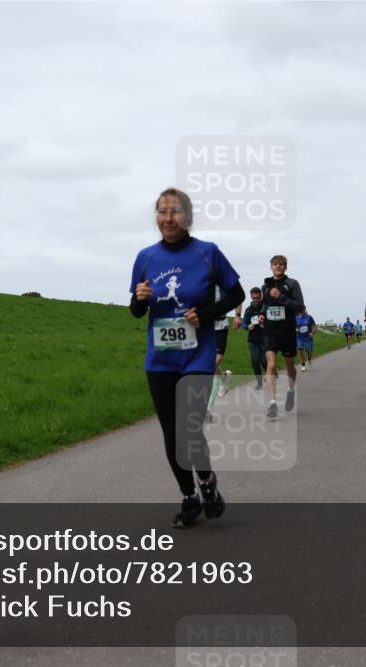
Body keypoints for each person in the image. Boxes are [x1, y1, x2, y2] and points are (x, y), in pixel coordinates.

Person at [130, 188, 244, 527]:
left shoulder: (207, 253)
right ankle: (188, 496)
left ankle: (206, 481)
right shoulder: (146, 257)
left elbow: (236, 293)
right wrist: (138, 298)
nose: (168, 218)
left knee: (189, 429)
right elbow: (137, 310)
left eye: (176, 211)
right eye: (162, 212)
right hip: (160, 360)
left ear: (188, 217)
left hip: (197, 356)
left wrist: (205, 314)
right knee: (171, 432)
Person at [260, 255, 304, 418]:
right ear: (271, 267)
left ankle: (291, 390)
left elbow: (299, 306)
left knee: (289, 366)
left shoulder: (292, 284)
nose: (278, 266)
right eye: (275, 264)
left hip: (287, 331)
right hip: (270, 331)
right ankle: (272, 403)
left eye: (281, 264)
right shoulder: (265, 286)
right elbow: (265, 305)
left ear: (285, 267)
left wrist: (281, 297)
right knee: (271, 365)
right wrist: (262, 314)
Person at [205, 285, 233, 421]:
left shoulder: (224, 284)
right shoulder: (203, 284)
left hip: (221, 326)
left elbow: (238, 298)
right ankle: (223, 381)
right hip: (207, 326)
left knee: (214, 363)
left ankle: (208, 409)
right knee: (211, 364)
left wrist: (238, 315)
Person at [238, 287, 266, 389]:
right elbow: (244, 324)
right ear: (251, 297)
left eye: (258, 298)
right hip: (253, 340)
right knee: (255, 361)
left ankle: (272, 372)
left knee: (264, 361)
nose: (256, 300)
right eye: (254, 298)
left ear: (261, 296)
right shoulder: (248, 310)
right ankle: (259, 382)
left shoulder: (265, 308)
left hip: (265, 339)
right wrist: (247, 327)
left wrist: (265, 324)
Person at [295, 306, 316, 371]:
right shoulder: (296, 318)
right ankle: (303, 365)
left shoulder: (309, 317)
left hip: (308, 338)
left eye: (303, 310)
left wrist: (312, 332)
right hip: (299, 338)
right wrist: (296, 330)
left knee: (309, 351)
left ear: (304, 310)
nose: (302, 312)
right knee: (299, 350)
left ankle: (309, 360)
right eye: (300, 311)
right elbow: (293, 327)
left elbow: (314, 326)